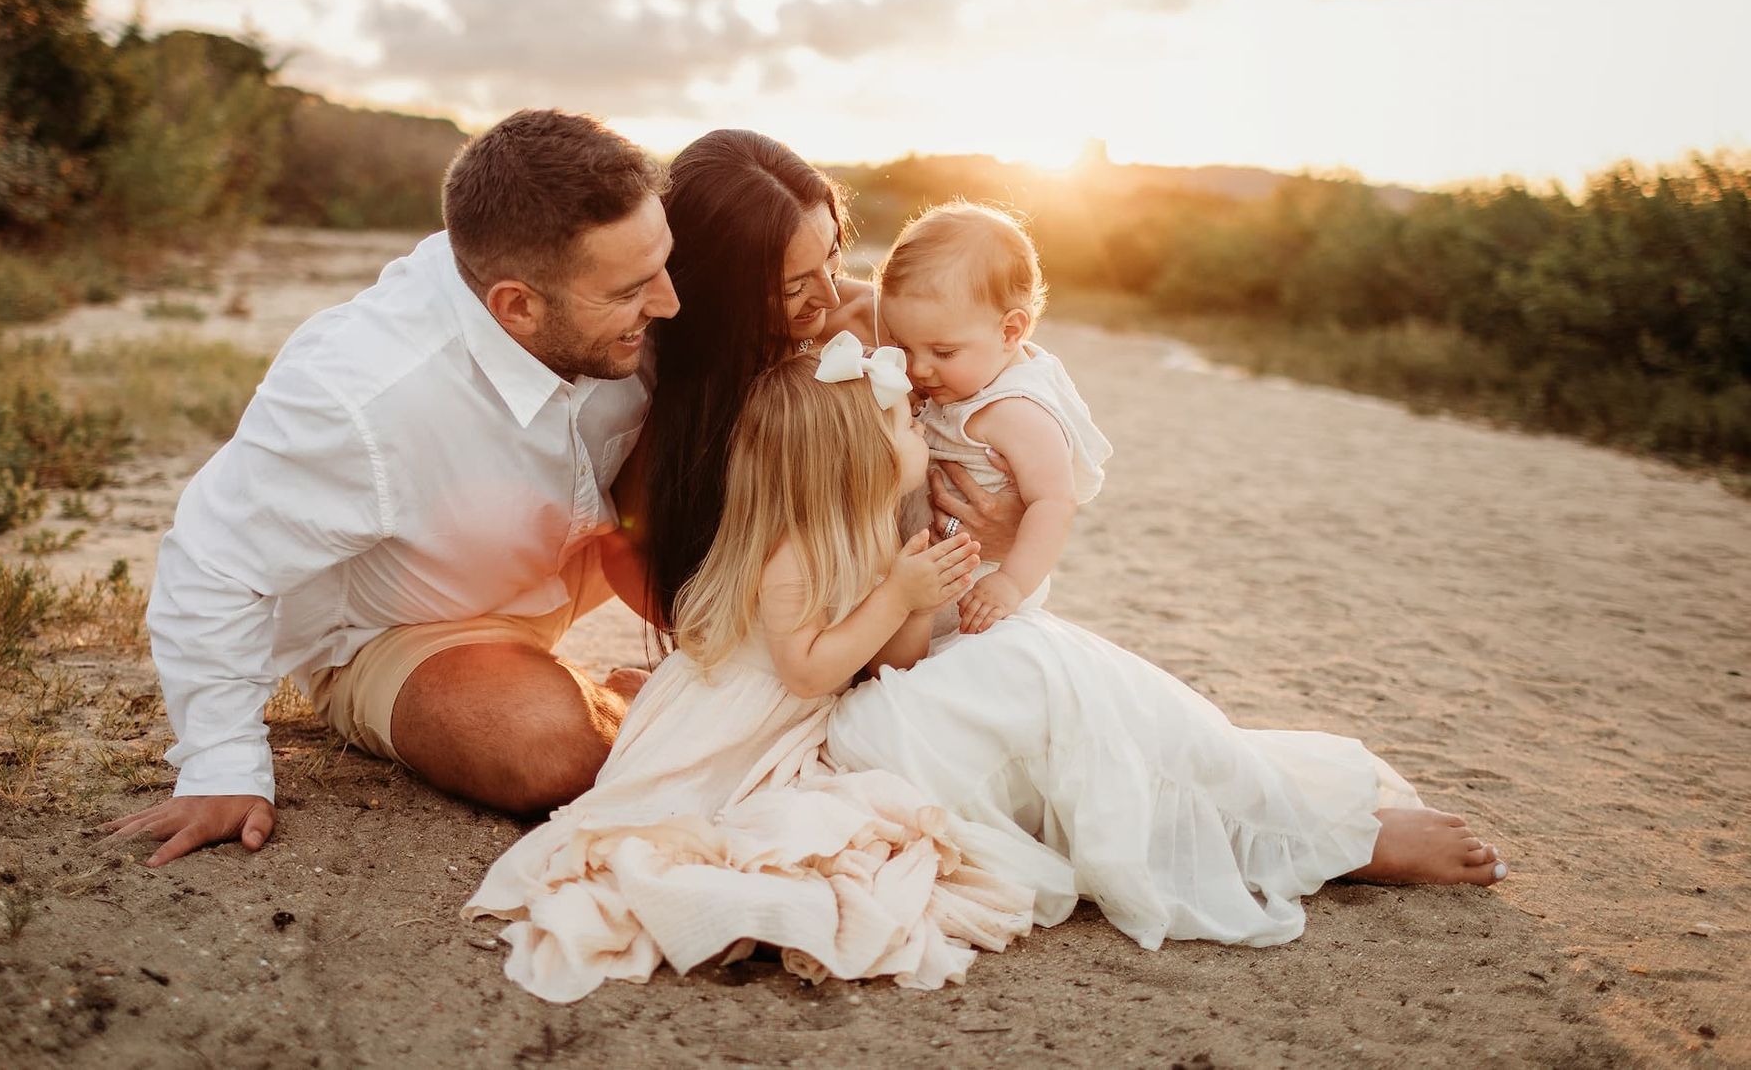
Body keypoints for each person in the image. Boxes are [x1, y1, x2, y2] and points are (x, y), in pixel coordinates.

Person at [637, 127, 1508, 953]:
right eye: (796, 283)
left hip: (905, 636)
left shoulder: (880, 330)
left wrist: (1000, 499)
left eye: (833, 255)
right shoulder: (662, 397)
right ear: (718, 284)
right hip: (838, 676)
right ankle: (1314, 835)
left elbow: (999, 362)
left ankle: (1314, 828)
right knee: (1037, 683)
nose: (832, 296)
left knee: (1070, 683)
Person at [102, 109, 678, 865]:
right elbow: (214, 560)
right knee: (546, 750)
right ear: (517, 305)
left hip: (571, 553)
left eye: (664, 263)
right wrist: (220, 765)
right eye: (634, 290)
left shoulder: (618, 275)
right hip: (405, 630)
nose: (668, 301)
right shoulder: (358, 394)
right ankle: (644, 709)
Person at [467, 351, 1028, 1002]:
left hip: (789, 721)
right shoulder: (792, 556)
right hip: (733, 724)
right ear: (859, 460)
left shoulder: (874, 531)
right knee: (712, 836)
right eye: (905, 425)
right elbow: (809, 674)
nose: (919, 432)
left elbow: (888, 667)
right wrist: (895, 599)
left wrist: (921, 605)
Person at [873, 201, 1112, 634]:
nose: (920, 369)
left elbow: (1054, 501)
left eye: (942, 352)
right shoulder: (963, 377)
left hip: (976, 590)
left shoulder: (1016, 411)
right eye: (904, 346)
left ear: (1009, 332)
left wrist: (1010, 583)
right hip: (924, 573)